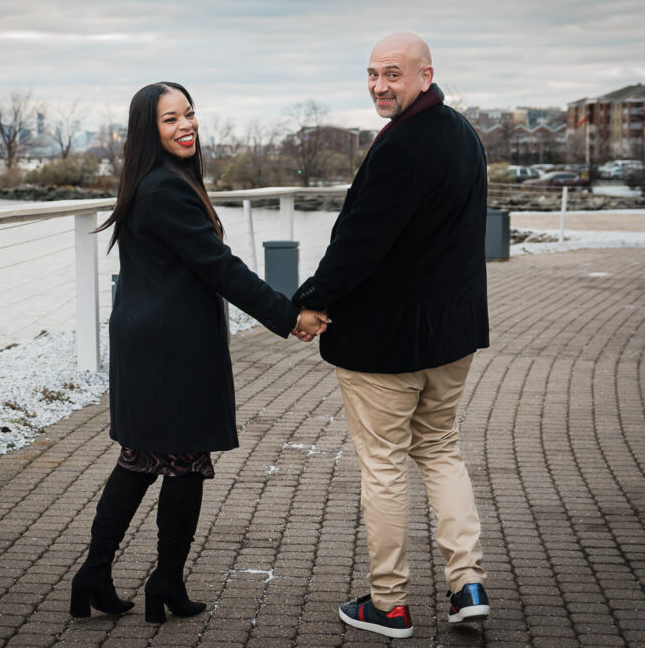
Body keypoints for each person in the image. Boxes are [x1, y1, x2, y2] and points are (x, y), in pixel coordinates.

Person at [69, 81, 327, 624]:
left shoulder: (157, 181)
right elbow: (220, 267)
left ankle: (96, 573)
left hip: (149, 340)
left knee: (140, 458)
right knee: (182, 462)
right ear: (149, 130)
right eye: (171, 120)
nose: (187, 125)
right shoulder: (166, 189)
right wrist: (287, 316)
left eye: (190, 114)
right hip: (171, 348)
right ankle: (164, 582)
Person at [292, 32, 490, 639]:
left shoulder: (403, 145)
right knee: (440, 450)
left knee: (382, 466)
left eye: (394, 74)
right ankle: (467, 585)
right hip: (449, 335)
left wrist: (311, 302)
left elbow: (361, 242)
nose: (380, 85)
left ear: (425, 75)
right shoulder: (463, 135)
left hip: (387, 344)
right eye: (373, 74)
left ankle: (389, 603)